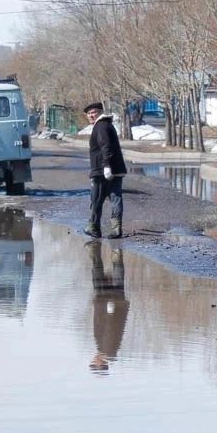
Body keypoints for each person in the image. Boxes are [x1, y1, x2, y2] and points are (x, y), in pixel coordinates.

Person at [84, 101, 128, 238]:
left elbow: (105, 146)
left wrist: (106, 166)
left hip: (102, 170)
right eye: (89, 113)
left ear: (100, 113)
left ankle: (94, 228)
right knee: (115, 198)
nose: (91, 115)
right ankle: (116, 228)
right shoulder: (106, 124)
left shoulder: (101, 126)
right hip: (114, 169)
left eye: (94, 112)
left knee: (96, 199)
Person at [88, 242, 129, 373]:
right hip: (109, 302)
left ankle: (100, 249)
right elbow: (112, 327)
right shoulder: (108, 349)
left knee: (100, 272)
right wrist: (111, 307)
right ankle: (112, 248)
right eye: (94, 362)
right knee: (104, 272)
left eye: (93, 362)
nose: (93, 359)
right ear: (100, 364)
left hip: (105, 302)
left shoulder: (105, 349)